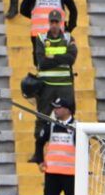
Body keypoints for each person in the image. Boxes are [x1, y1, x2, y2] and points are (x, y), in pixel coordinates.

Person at [31, 9, 76, 164]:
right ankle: (38, 153)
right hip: (47, 85)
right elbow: (41, 62)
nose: (55, 25)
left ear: (61, 23)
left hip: (65, 84)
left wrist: (52, 57)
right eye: (52, 22)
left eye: (57, 22)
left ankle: (71, 149)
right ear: (49, 22)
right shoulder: (41, 38)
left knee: (69, 116)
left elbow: (71, 58)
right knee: (42, 117)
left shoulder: (69, 37)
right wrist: (61, 58)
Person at [39, 95, 75, 195]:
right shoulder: (51, 125)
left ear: (67, 109)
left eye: (58, 108)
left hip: (71, 174)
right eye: (54, 108)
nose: (55, 110)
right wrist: (40, 160)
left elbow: (86, 148)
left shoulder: (77, 126)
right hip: (52, 173)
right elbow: (39, 142)